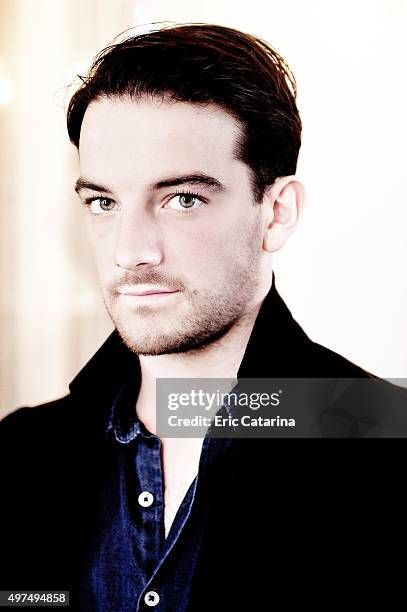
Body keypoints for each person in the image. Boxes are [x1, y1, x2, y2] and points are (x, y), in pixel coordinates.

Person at [1, 23, 406, 612]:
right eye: (103, 202)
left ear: (276, 213)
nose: (130, 250)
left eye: (182, 199)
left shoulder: (382, 441)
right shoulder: (21, 454)